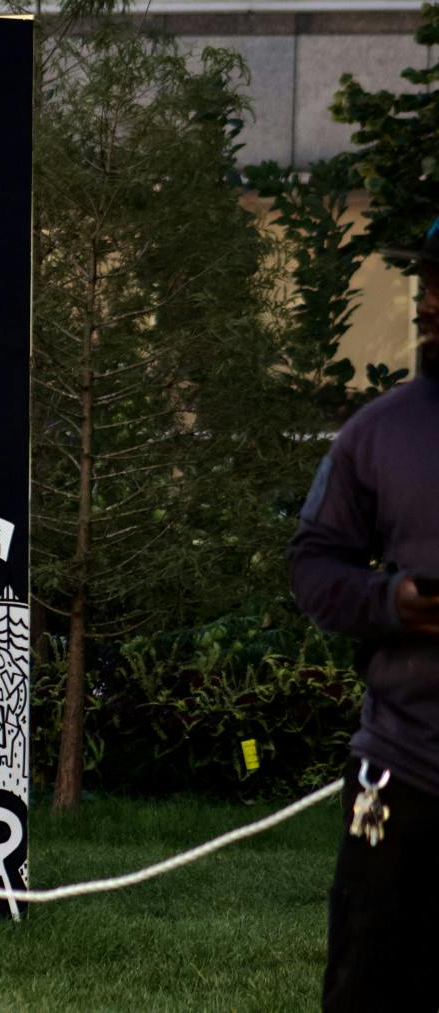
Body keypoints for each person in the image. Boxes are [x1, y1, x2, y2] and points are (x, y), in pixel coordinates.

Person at [291, 215, 439, 1012]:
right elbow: (314, 564)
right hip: (401, 773)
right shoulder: (377, 434)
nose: (430, 302)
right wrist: (390, 602)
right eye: (429, 281)